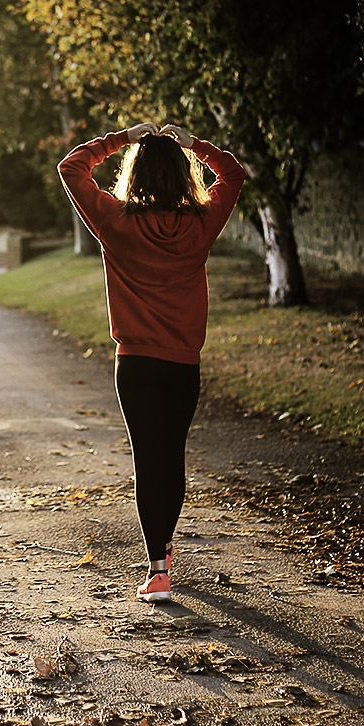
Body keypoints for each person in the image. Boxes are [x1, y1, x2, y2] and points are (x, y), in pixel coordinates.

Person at [57, 121, 246, 603]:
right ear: (183, 176)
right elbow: (234, 174)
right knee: (172, 456)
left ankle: (157, 569)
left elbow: (72, 168)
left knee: (148, 459)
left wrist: (122, 138)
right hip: (182, 363)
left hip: (135, 363)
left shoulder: (117, 222)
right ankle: (163, 547)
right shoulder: (201, 223)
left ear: (134, 175)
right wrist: (194, 145)